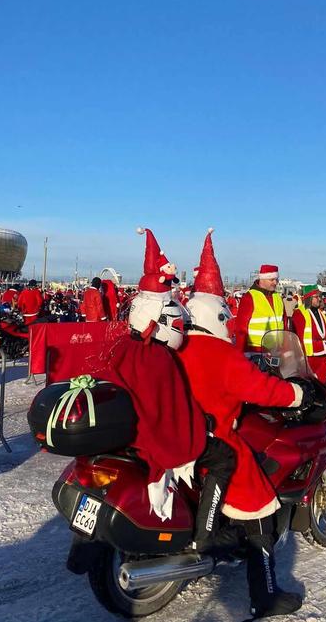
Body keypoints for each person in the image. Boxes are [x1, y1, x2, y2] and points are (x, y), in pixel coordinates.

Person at [179, 229, 306, 621]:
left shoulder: (182, 346)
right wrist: (297, 396)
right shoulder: (220, 352)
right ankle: (264, 594)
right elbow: (260, 389)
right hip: (220, 434)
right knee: (259, 507)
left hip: (187, 433)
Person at [92, 226, 235, 550]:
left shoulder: (124, 346)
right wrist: (202, 425)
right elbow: (173, 415)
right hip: (155, 442)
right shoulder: (159, 358)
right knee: (223, 457)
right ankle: (206, 534)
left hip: (130, 434)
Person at [234, 264, 287, 353]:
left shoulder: (278, 297)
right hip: (255, 352)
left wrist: (286, 349)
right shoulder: (250, 297)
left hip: (276, 351)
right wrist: (240, 354)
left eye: (276, 279)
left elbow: (284, 324)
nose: (275, 282)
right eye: (272, 279)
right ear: (262, 279)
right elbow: (241, 329)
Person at [291, 284, 326, 383]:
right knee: (309, 386)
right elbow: (297, 337)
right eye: (316, 297)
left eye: (319, 296)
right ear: (309, 298)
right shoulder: (299, 313)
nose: (319, 299)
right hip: (308, 357)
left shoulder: (321, 313)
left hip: (323, 356)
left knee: (323, 386)